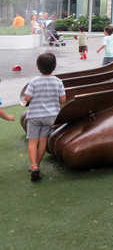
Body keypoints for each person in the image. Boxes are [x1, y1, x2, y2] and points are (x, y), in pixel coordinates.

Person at [24, 52, 65, 182]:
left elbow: (27, 98)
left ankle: (34, 166)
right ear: (54, 66)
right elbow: (63, 99)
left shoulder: (34, 81)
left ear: (38, 66)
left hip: (35, 115)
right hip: (51, 116)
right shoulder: (58, 81)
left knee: (32, 142)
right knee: (43, 141)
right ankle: (37, 165)